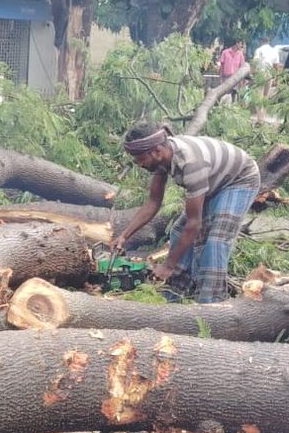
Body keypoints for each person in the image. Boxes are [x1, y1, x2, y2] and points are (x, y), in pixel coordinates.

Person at [111, 120, 261, 304]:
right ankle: (175, 293)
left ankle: (211, 303)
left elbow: (193, 225)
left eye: (140, 159)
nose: (138, 164)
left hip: (239, 179)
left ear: (157, 151)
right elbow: (153, 202)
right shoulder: (161, 158)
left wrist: (168, 266)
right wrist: (124, 236)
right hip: (213, 181)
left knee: (216, 241)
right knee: (177, 231)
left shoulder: (191, 164)